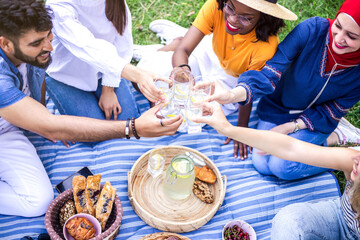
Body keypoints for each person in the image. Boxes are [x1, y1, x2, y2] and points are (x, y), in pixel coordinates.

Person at [0, 0, 182, 217]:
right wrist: (133, 128)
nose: (49, 47)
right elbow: (51, 127)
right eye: (38, 42)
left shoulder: (29, 49)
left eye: (49, 36)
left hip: (12, 121)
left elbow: (41, 93)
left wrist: (41, 117)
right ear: (5, 44)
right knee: (37, 203)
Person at [205, 0, 360, 180]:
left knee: (282, 168)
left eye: (351, 36)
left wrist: (290, 128)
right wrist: (233, 94)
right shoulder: (312, 30)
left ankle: (347, 157)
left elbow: (332, 110)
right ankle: (333, 139)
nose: (339, 38)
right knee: (262, 163)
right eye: (338, 26)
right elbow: (269, 73)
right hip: (278, 108)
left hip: (317, 121)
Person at [135, 0, 297, 159]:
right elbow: (183, 50)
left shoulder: (266, 47)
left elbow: (247, 90)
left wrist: (241, 130)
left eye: (246, 18)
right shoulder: (215, 5)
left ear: (263, 17)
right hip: (206, 53)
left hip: (230, 83)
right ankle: (177, 40)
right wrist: (182, 70)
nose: (232, 20)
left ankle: (176, 40)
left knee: (186, 122)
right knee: (145, 76)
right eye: (230, 8)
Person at [195, 102, 360, 239]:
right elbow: (291, 148)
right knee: (287, 220)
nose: (357, 161)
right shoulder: (355, 160)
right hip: (341, 218)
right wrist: (227, 129)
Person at [45, 0, 168, 121]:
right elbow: (86, 46)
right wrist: (139, 75)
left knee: (127, 120)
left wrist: (108, 88)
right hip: (66, 77)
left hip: (106, 71)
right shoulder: (58, 5)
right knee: (93, 134)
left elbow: (121, 45)